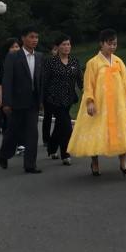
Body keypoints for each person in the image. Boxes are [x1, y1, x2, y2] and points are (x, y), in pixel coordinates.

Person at [68, 29, 126, 176]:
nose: (112, 47)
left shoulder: (118, 61)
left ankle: (123, 162)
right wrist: (90, 102)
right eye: (110, 43)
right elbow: (88, 85)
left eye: (115, 44)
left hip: (117, 104)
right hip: (100, 104)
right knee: (96, 130)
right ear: (102, 44)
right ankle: (95, 162)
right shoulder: (93, 63)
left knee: (121, 131)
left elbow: (125, 81)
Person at [0, 26, 44, 173]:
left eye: (36, 37)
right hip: (16, 102)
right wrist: (6, 102)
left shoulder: (39, 56)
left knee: (32, 133)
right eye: (31, 37)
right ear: (23, 38)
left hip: (33, 102)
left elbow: (40, 80)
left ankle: (30, 165)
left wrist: (41, 100)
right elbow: (7, 80)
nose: (34, 40)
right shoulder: (13, 56)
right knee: (13, 132)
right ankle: (4, 154)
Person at [43, 34, 83, 165]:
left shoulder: (74, 61)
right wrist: (42, 100)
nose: (67, 47)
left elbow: (80, 80)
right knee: (66, 127)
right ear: (58, 47)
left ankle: (52, 147)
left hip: (69, 99)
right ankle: (65, 154)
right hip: (54, 100)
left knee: (60, 125)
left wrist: (88, 92)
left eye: (68, 44)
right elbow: (44, 82)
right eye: (64, 44)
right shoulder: (51, 63)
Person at [0, 38, 20, 135]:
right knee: (8, 122)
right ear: (7, 49)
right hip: (6, 95)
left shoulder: (23, 62)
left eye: (17, 47)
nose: (15, 49)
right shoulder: (0, 63)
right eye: (12, 47)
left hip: (20, 95)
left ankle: (20, 145)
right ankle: (8, 145)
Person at [42, 43, 59, 147]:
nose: (57, 51)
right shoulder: (47, 63)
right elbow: (44, 79)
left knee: (60, 117)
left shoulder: (68, 62)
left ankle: (57, 137)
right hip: (48, 94)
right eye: (55, 49)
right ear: (52, 51)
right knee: (47, 116)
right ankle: (46, 138)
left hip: (62, 95)